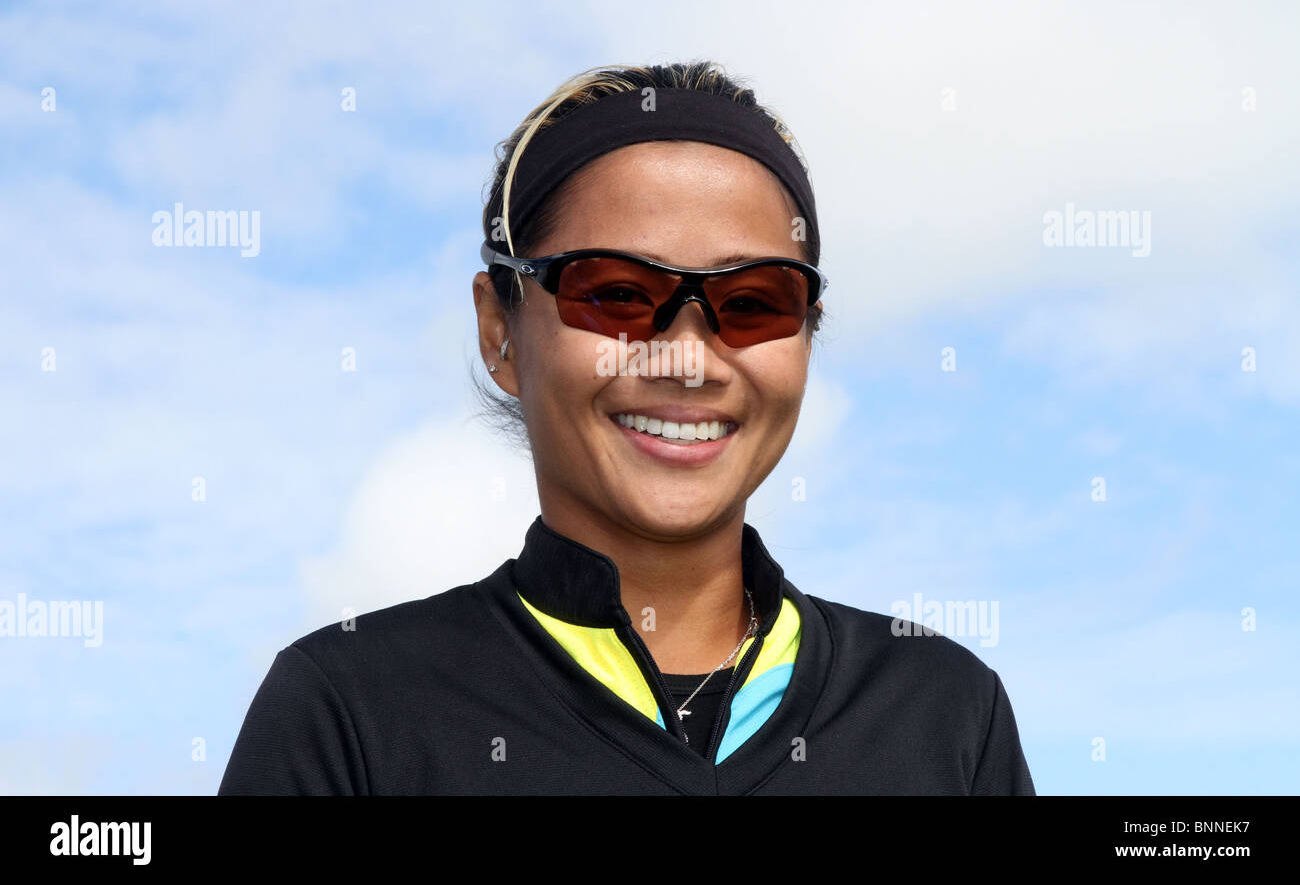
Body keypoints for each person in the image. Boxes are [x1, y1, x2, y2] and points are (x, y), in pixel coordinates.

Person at [218, 61, 1035, 795]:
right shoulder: (351, 710)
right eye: (615, 294)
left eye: (753, 303)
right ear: (499, 332)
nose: (688, 359)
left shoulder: (946, 713)